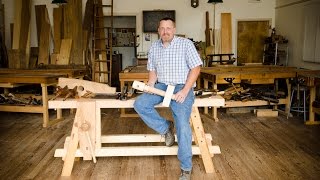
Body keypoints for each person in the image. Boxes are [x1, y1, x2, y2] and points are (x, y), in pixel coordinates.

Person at [133, 17, 202, 180]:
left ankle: (186, 167)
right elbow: (152, 70)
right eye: (162, 28)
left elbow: (196, 68)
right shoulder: (154, 47)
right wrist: (150, 84)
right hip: (162, 85)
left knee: (183, 125)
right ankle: (165, 128)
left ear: (174, 29)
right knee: (140, 104)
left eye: (168, 28)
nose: (165, 31)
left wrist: (185, 90)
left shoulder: (186, 44)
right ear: (158, 31)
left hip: (181, 86)